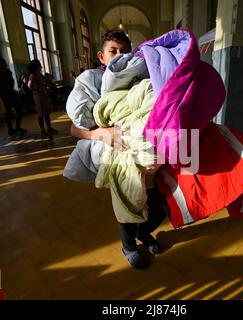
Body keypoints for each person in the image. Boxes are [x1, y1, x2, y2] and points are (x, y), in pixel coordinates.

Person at [67, 30, 168, 269]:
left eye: (125, 51)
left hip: (150, 149)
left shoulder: (142, 76)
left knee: (158, 204)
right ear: (102, 56)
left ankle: (144, 232)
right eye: (114, 51)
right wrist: (100, 133)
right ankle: (129, 245)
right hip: (118, 152)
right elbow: (74, 129)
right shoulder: (90, 80)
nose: (120, 55)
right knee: (128, 199)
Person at [0, 58, 26, 135]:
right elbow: (0, 84)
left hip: (7, 92)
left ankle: (13, 128)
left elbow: (10, 81)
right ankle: (14, 128)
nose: (5, 63)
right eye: (4, 62)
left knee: (10, 111)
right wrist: (7, 87)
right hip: (6, 93)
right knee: (15, 110)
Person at [27, 60, 58, 136]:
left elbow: (45, 81)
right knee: (41, 114)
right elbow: (29, 85)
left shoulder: (39, 74)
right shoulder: (32, 75)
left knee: (46, 112)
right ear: (36, 66)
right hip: (38, 97)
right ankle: (42, 130)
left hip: (44, 96)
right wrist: (39, 88)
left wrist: (48, 84)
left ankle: (49, 127)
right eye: (40, 65)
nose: (41, 66)